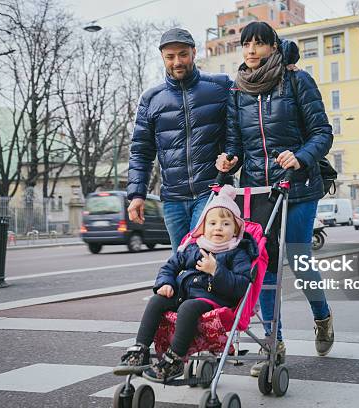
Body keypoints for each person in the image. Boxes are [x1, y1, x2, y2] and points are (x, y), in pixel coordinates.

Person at [215, 22, 334, 376]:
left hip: (299, 186)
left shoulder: (297, 81)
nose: (251, 50)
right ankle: (273, 343)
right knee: (262, 265)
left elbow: (322, 133)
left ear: (273, 47)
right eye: (246, 43)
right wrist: (229, 159)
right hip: (260, 191)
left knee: (298, 257)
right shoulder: (238, 92)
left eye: (259, 43)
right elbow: (234, 142)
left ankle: (322, 316)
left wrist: (300, 156)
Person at [113, 185, 257, 383]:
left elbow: (241, 285)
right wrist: (166, 283)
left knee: (188, 307)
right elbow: (169, 267)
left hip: (213, 299)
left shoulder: (237, 253)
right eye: (212, 223)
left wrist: (216, 271)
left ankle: (175, 359)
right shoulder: (193, 249)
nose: (218, 228)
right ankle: (140, 350)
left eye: (225, 224)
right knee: (157, 300)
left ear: (236, 229)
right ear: (203, 228)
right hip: (183, 293)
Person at [126, 28, 231, 252]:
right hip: (173, 199)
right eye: (170, 57)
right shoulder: (151, 99)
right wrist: (137, 195)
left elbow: (240, 126)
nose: (177, 62)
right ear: (163, 58)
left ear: (194, 53)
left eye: (183, 54)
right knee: (181, 260)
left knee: (199, 254)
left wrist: (231, 157)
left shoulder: (219, 87)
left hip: (211, 191)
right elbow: (141, 152)